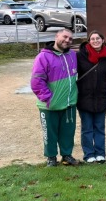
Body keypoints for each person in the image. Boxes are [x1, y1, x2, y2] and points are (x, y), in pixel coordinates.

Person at [31, 28, 79, 167]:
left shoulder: (72, 55)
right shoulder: (43, 57)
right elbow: (36, 81)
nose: (67, 40)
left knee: (68, 132)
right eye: (65, 37)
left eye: (70, 39)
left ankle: (66, 155)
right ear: (56, 36)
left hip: (69, 103)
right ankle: (51, 157)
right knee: (50, 133)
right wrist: (48, 98)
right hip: (49, 105)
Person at [76, 30, 106, 163]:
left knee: (99, 127)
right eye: (93, 39)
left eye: (98, 38)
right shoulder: (80, 55)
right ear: (89, 41)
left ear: (103, 40)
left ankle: (100, 153)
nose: (95, 41)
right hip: (84, 97)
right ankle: (89, 154)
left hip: (101, 96)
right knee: (87, 128)